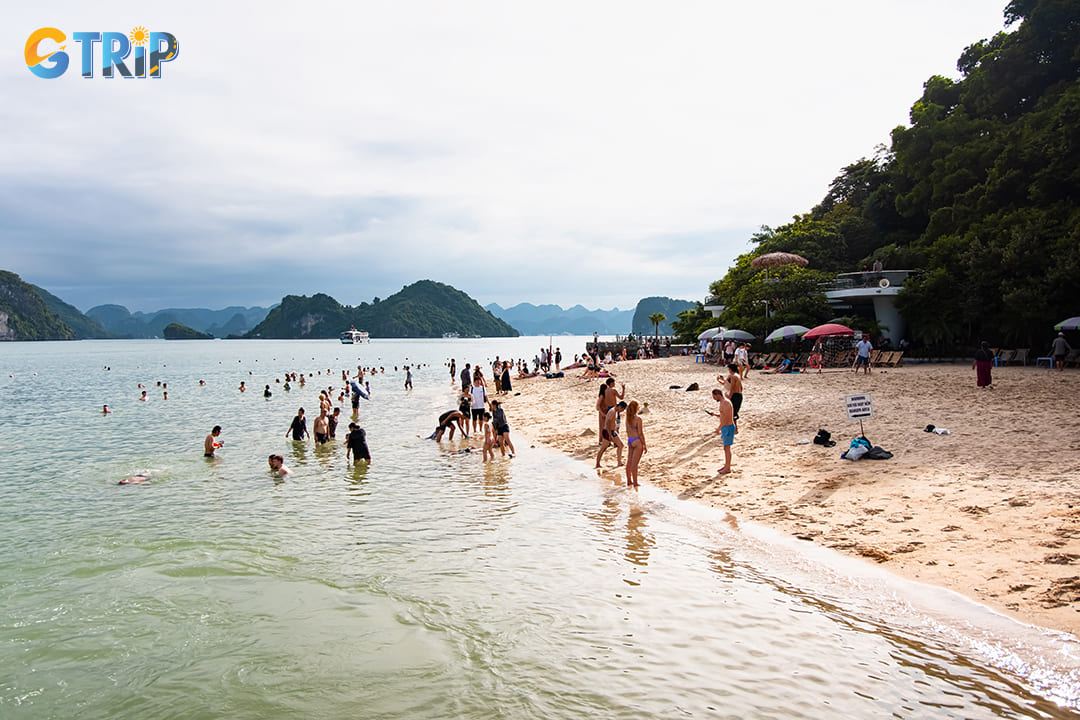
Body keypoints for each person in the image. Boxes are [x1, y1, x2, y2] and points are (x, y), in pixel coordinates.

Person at [708, 389, 735, 474]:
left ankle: (728, 468)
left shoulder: (725, 403)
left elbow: (727, 418)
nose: (714, 398)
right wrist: (715, 415)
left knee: (727, 448)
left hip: (728, 427)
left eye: (714, 397)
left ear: (718, 395)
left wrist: (719, 428)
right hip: (725, 427)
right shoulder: (723, 403)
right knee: (725, 448)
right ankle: (726, 465)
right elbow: (723, 415)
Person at [596, 401, 626, 469]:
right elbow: (608, 423)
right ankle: (597, 463)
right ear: (620, 407)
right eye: (622, 409)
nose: (622, 411)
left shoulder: (614, 411)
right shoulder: (612, 411)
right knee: (603, 448)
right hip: (608, 432)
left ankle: (619, 462)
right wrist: (610, 435)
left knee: (620, 445)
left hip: (613, 431)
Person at [623, 400, 646, 488]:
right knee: (635, 464)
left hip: (630, 440)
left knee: (629, 462)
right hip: (637, 441)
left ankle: (629, 480)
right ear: (636, 408)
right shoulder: (638, 419)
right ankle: (635, 482)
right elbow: (640, 433)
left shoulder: (627, 418)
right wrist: (644, 444)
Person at [719, 364, 743, 429]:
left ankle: (735, 428)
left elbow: (732, 387)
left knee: (732, 412)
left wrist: (730, 396)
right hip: (739, 394)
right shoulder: (738, 376)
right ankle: (734, 428)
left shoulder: (733, 376)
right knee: (734, 411)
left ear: (730, 369)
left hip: (735, 395)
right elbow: (741, 387)